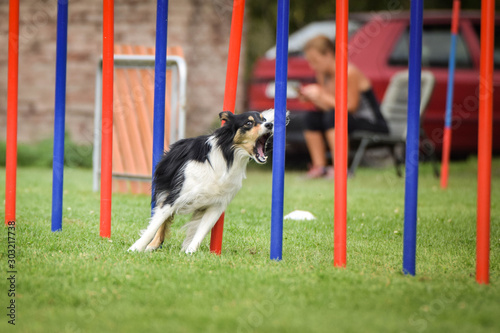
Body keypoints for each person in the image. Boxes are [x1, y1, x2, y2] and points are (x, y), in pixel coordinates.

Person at [299, 35, 389, 178]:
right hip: (344, 117)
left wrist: (321, 94)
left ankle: (340, 169)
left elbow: (351, 107)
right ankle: (319, 167)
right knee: (311, 117)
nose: (313, 66)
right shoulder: (323, 75)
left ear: (328, 54)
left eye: (315, 61)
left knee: (333, 117)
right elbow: (328, 105)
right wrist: (313, 98)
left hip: (371, 122)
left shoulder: (349, 72)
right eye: (310, 62)